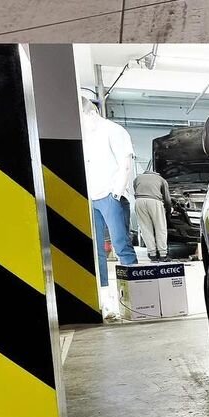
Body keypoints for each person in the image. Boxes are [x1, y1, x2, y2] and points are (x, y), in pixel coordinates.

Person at [79, 92, 137, 287]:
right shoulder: (86, 138)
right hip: (92, 197)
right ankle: (101, 290)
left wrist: (116, 193)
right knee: (96, 249)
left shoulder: (114, 130)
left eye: (81, 119)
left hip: (111, 196)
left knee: (121, 244)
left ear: (91, 113)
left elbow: (125, 164)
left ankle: (133, 289)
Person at [134, 168, 172, 261]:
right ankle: (163, 254)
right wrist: (168, 209)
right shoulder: (161, 179)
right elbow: (167, 198)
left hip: (139, 201)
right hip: (155, 201)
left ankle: (152, 254)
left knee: (145, 228)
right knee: (160, 228)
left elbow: (135, 189)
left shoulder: (138, 178)